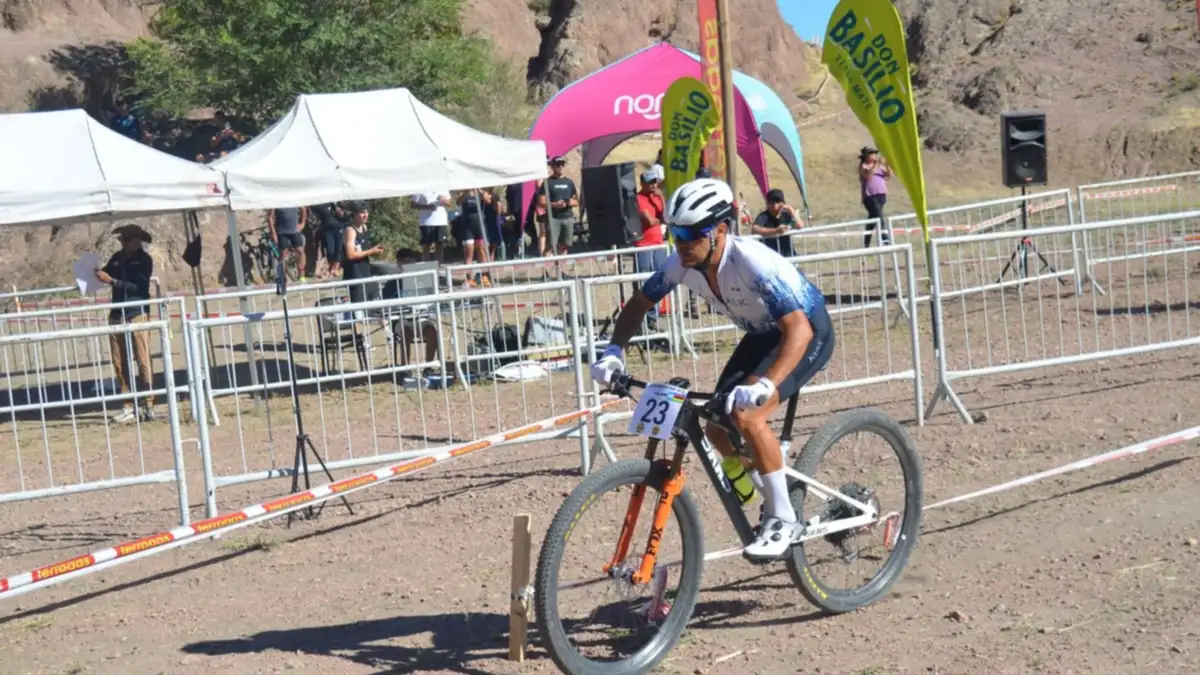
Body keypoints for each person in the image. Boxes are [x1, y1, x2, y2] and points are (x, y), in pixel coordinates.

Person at [589, 178, 835, 562]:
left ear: (720, 230)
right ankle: (770, 487)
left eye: (690, 234)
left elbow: (799, 330)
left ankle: (784, 519)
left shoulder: (751, 262)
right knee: (717, 429)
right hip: (763, 335)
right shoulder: (680, 264)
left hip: (806, 332)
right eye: (675, 234)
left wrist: (767, 384)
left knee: (748, 415)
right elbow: (637, 306)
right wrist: (613, 353)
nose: (681, 243)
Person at [95, 224, 157, 423]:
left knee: (143, 359)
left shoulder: (145, 260)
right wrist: (95, 274)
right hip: (117, 313)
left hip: (137, 313)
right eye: (122, 240)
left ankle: (149, 403)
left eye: (126, 240)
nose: (123, 243)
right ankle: (128, 404)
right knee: (119, 361)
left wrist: (112, 281)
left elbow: (138, 286)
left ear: (137, 241)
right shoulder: (117, 258)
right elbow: (105, 273)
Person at [392, 247, 442, 372]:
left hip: (423, 317)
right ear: (398, 263)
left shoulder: (424, 278)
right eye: (404, 262)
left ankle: (428, 366)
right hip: (402, 319)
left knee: (432, 332)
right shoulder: (393, 282)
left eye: (410, 262)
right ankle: (405, 369)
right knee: (406, 332)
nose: (408, 265)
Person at [342, 201, 384, 305]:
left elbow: (365, 250)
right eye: (362, 213)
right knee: (359, 307)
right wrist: (371, 251)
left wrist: (375, 250)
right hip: (355, 273)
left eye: (367, 212)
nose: (366, 215)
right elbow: (350, 254)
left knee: (375, 302)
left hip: (366, 271)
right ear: (355, 215)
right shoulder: (350, 230)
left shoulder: (364, 227)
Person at [752, 188, 803, 258]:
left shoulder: (786, 214)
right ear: (767, 203)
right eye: (771, 202)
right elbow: (754, 229)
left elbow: (800, 225)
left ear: (783, 203)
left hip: (788, 256)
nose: (775, 204)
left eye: (778, 201)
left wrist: (791, 210)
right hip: (771, 257)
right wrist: (776, 231)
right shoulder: (763, 216)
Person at [545, 157, 579, 255]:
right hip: (553, 218)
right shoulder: (548, 182)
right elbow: (541, 202)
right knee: (550, 246)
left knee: (565, 245)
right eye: (557, 164)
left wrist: (570, 202)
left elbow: (576, 201)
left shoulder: (569, 182)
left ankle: (562, 264)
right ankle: (545, 264)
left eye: (562, 164)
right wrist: (555, 204)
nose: (560, 167)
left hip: (567, 217)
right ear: (552, 166)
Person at [859, 147, 892, 247]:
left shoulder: (879, 166)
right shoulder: (863, 166)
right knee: (878, 214)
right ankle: (885, 238)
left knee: (873, 218)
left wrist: (887, 164)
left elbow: (889, 175)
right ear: (866, 156)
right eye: (871, 154)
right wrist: (876, 164)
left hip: (881, 195)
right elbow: (869, 176)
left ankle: (866, 242)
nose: (874, 155)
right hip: (870, 196)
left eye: (874, 154)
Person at [267, 206, 308, 282]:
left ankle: (302, 276)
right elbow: (270, 217)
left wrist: (302, 223)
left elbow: (303, 209)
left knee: (300, 252)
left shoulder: (293, 199)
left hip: (295, 231)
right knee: (283, 254)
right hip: (282, 232)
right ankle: (282, 278)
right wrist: (273, 233)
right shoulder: (275, 201)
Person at [412, 191, 453, 263]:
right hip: (426, 222)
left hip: (441, 221)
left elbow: (450, 204)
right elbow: (413, 205)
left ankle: (438, 266)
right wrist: (427, 207)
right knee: (427, 245)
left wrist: (443, 201)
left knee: (440, 245)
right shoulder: (420, 187)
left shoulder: (443, 188)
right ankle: (426, 266)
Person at [310, 202, 344, 278]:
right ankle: (331, 268)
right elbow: (315, 215)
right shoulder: (317, 206)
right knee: (330, 251)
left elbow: (341, 214)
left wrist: (338, 210)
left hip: (338, 227)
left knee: (338, 249)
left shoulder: (333, 203)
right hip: (327, 229)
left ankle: (335, 269)